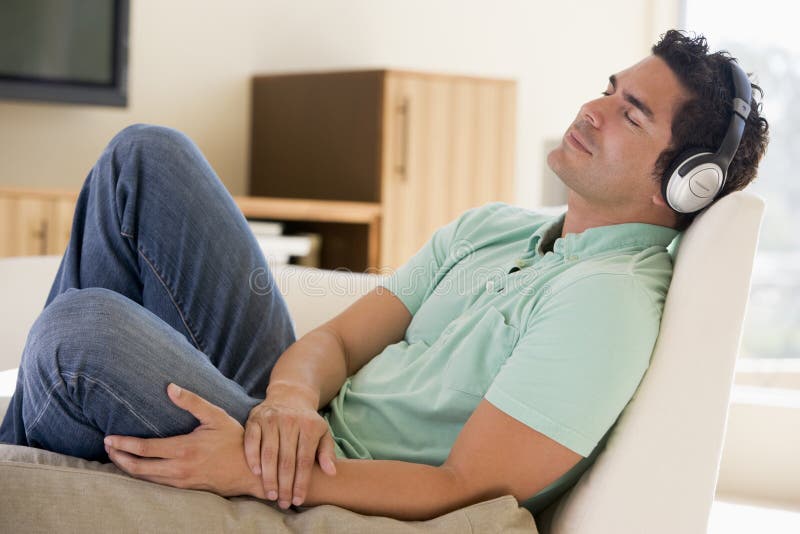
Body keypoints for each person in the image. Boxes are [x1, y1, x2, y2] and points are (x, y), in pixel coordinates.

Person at [0, 30, 769, 521]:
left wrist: (260, 470)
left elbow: (466, 487)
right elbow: (332, 344)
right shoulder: (495, 227)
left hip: (332, 479)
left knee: (80, 333)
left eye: (632, 113)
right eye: (608, 86)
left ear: (687, 184)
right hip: (294, 426)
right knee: (147, 154)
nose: (594, 109)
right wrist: (293, 401)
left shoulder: (609, 304)